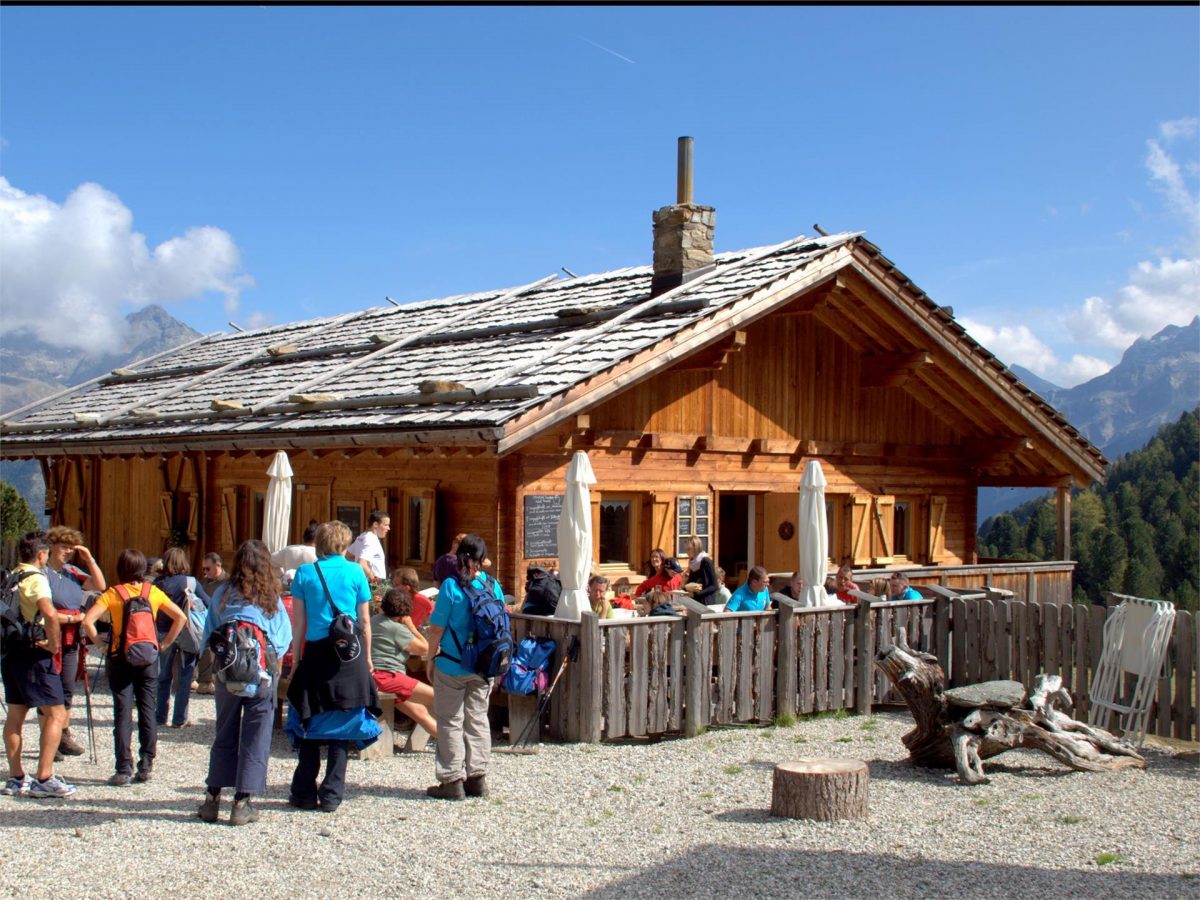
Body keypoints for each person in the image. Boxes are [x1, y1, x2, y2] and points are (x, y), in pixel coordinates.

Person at [286, 521, 380, 813]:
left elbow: (298, 622)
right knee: (344, 720)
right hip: (349, 654)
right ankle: (331, 794)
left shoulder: (305, 573)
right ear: (344, 544)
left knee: (311, 717)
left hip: (316, 651)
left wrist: (296, 659)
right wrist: (367, 657)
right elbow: (365, 621)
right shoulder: (356, 572)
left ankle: (303, 791)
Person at [198, 540, 292, 826]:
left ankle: (212, 798)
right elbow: (282, 639)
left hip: (227, 673)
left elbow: (210, 630)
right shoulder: (270, 597)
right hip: (260, 674)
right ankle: (242, 802)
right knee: (256, 734)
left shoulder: (224, 593)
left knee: (224, 731)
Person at [83, 548, 187, 786]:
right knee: (147, 711)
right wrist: (165, 643)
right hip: (149, 657)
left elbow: (88, 621)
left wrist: (99, 643)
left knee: (122, 712)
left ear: (121, 569)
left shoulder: (113, 593)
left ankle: (123, 768)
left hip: (121, 658)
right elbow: (180, 616)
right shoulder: (153, 592)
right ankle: (147, 763)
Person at [425, 534, 502, 801]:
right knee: (478, 719)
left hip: (452, 664)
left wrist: (429, 657)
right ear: (482, 559)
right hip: (483, 666)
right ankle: (477, 777)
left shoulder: (450, 586)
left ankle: (451, 780)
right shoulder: (493, 585)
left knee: (450, 721)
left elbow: (436, 628)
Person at [1, 532, 76, 798]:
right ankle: (44, 777)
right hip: (34, 653)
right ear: (42, 554)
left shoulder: (11, 577)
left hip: (10, 653)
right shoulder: (36, 578)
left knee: (15, 715)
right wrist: (55, 645)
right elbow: (49, 612)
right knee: (55, 713)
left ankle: (16, 776)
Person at [44, 525, 106, 758]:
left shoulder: (73, 572)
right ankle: (50, 736)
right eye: (64, 547)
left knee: (68, 687)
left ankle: (62, 734)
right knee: (50, 688)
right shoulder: (42, 574)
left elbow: (100, 585)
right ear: (51, 546)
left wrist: (88, 558)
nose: (68, 552)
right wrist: (73, 617)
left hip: (71, 639)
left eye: (71, 548)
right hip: (49, 636)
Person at [154, 547, 211, 729]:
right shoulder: (190, 582)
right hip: (188, 632)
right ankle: (179, 719)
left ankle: (159, 716)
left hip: (164, 634)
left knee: (163, 676)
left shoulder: (156, 584)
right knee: (185, 677)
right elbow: (208, 603)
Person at [370, 588, 438, 738]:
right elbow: (424, 648)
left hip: (372, 677)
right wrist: (411, 626)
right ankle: (458, 743)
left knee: (420, 712)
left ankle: (452, 743)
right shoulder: (395, 628)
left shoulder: (375, 620)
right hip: (388, 677)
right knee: (441, 697)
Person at [195, 552, 228, 695]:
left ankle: (210, 681)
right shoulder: (203, 583)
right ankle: (203, 680)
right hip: (204, 621)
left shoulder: (228, 583)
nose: (205, 572)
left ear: (218, 565)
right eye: (203, 569)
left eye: (208, 568)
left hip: (222, 622)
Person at [271, 521, 319, 589]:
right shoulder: (320, 554)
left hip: (290, 590)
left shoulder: (289, 550)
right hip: (311, 592)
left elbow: (269, 560)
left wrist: (282, 576)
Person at [347, 510, 390, 582]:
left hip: (365, 582)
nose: (388, 528)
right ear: (375, 524)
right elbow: (362, 563)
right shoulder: (371, 539)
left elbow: (348, 555)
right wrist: (376, 582)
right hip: (373, 586)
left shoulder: (362, 536)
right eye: (386, 525)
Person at [682, 537, 720, 605]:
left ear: (696, 548)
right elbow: (692, 583)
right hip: (695, 603)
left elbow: (714, 586)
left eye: (689, 549)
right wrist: (684, 586)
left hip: (706, 602)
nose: (687, 552)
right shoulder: (692, 563)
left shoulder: (706, 561)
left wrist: (696, 594)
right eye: (686, 549)